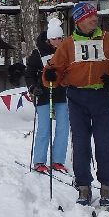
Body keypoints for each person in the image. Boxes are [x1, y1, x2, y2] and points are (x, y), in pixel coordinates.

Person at [45, 1, 109, 207]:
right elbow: (55, 69)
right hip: (76, 97)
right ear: (79, 20)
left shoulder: (108, 39)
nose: (94, 19)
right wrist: (50, 76)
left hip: (101, 97)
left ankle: (107, 186)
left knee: (103, 143)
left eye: (95, 15)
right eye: (89, 16)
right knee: (80, 143)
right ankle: (83, 186)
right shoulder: (67, 44)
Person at [25, 16, 70, 175]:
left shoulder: (66, 51)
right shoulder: (38, 53)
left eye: (61, 38)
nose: (59, 41)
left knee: (63, 128)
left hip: (62, 94)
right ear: (49, 39)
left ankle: (58, 161)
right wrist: (33, 87)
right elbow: (29, 74)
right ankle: (39, 161)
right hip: (44, 94)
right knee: (44, 127)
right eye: (56, 39)